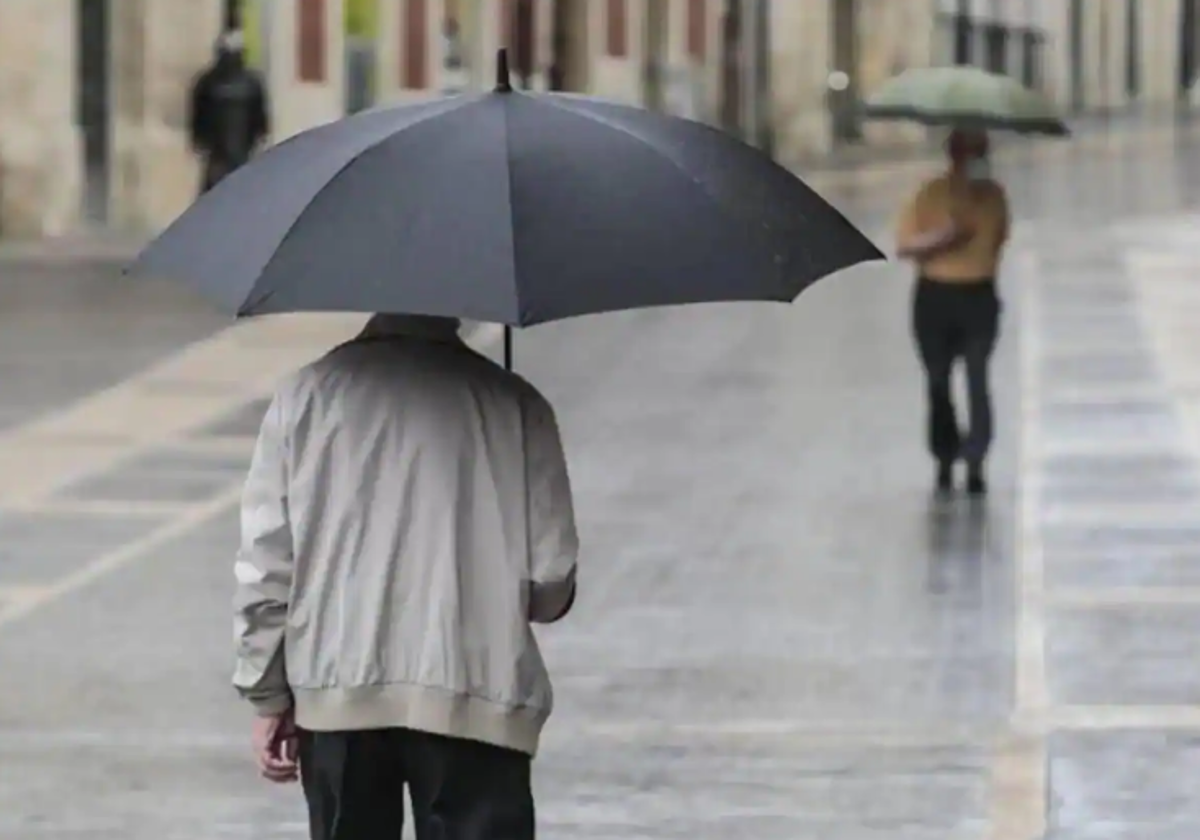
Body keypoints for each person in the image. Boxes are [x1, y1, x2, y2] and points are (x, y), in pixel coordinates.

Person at [233, 313, 579, 840]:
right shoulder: (516, 403)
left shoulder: (303, 397)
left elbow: (267, 563)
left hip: (336, 694)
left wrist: (268, 693)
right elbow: (550, 580)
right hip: (475, 695)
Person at [895, 129, 1010, 497]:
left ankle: (976, 458)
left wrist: (960, 233)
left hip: (977, 295)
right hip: (934, 297)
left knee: (977, 377)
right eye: (970, 153)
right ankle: (944, 454)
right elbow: (905, 245)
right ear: (954, 155)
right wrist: (945, 237)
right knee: (938, 380)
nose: (976, 161)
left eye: (981, 153)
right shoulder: (929, 194)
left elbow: (994, 242)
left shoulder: (993, 197)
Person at [188, 29, 270, 195]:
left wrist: (200, 141)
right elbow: (261, 122)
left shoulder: (207, 81)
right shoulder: (251, 83)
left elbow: (198, 118)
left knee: (214, 197)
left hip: (218, 156)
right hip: (240, 154)